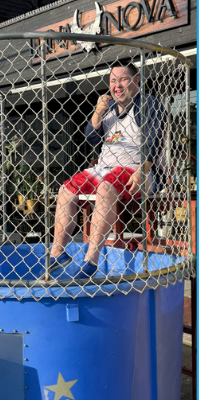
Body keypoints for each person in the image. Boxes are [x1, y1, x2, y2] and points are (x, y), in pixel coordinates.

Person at [47, 61, 164, 277]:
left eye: (122, 79)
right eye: (112, 81)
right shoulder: (109, 108)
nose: (117, 85)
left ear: (136, 81)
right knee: (66, 190)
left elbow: (155, 139)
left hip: (136, 168)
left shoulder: (147, 103)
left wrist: (143, 170)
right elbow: (91, 138)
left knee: (106, 186)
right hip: (103, 169)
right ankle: (57, 254)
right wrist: (97, 113)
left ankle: (90, 260)